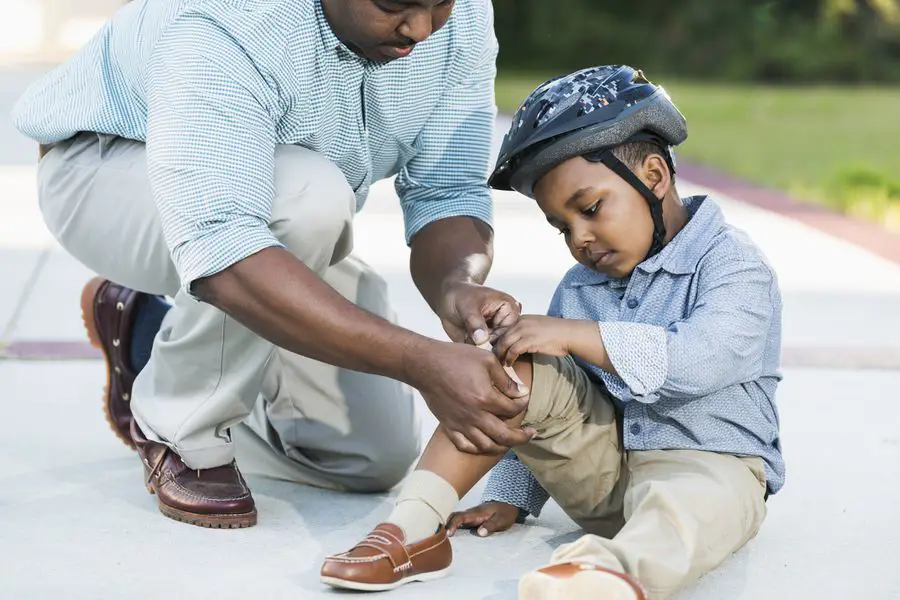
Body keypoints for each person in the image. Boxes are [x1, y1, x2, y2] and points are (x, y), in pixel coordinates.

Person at [11, 0, 533, 529]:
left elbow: (446, 188)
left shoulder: (462, 15)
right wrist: (419, 361)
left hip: (276, 211)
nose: (421, 29)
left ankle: (144, 338)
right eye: (393, 5)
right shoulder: (230, 17)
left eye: (437, 4)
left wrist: (456, 286)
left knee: (369, 458)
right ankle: (181, 427)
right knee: (309, 199)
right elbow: (224, 248)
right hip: (108, 169)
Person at [320, 65, 785, 600]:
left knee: (687, 511)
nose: (580, 238)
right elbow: (541, 412)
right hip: (605, 477)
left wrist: (574, 334)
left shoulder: (734, 266)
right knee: (516, 364)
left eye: (590, 209)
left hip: (710, 467)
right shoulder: (581, 287)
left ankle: (603, 575)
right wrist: (513, 497)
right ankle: (412, 528)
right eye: (563, 227)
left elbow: (705, 360)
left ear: (654, 175)